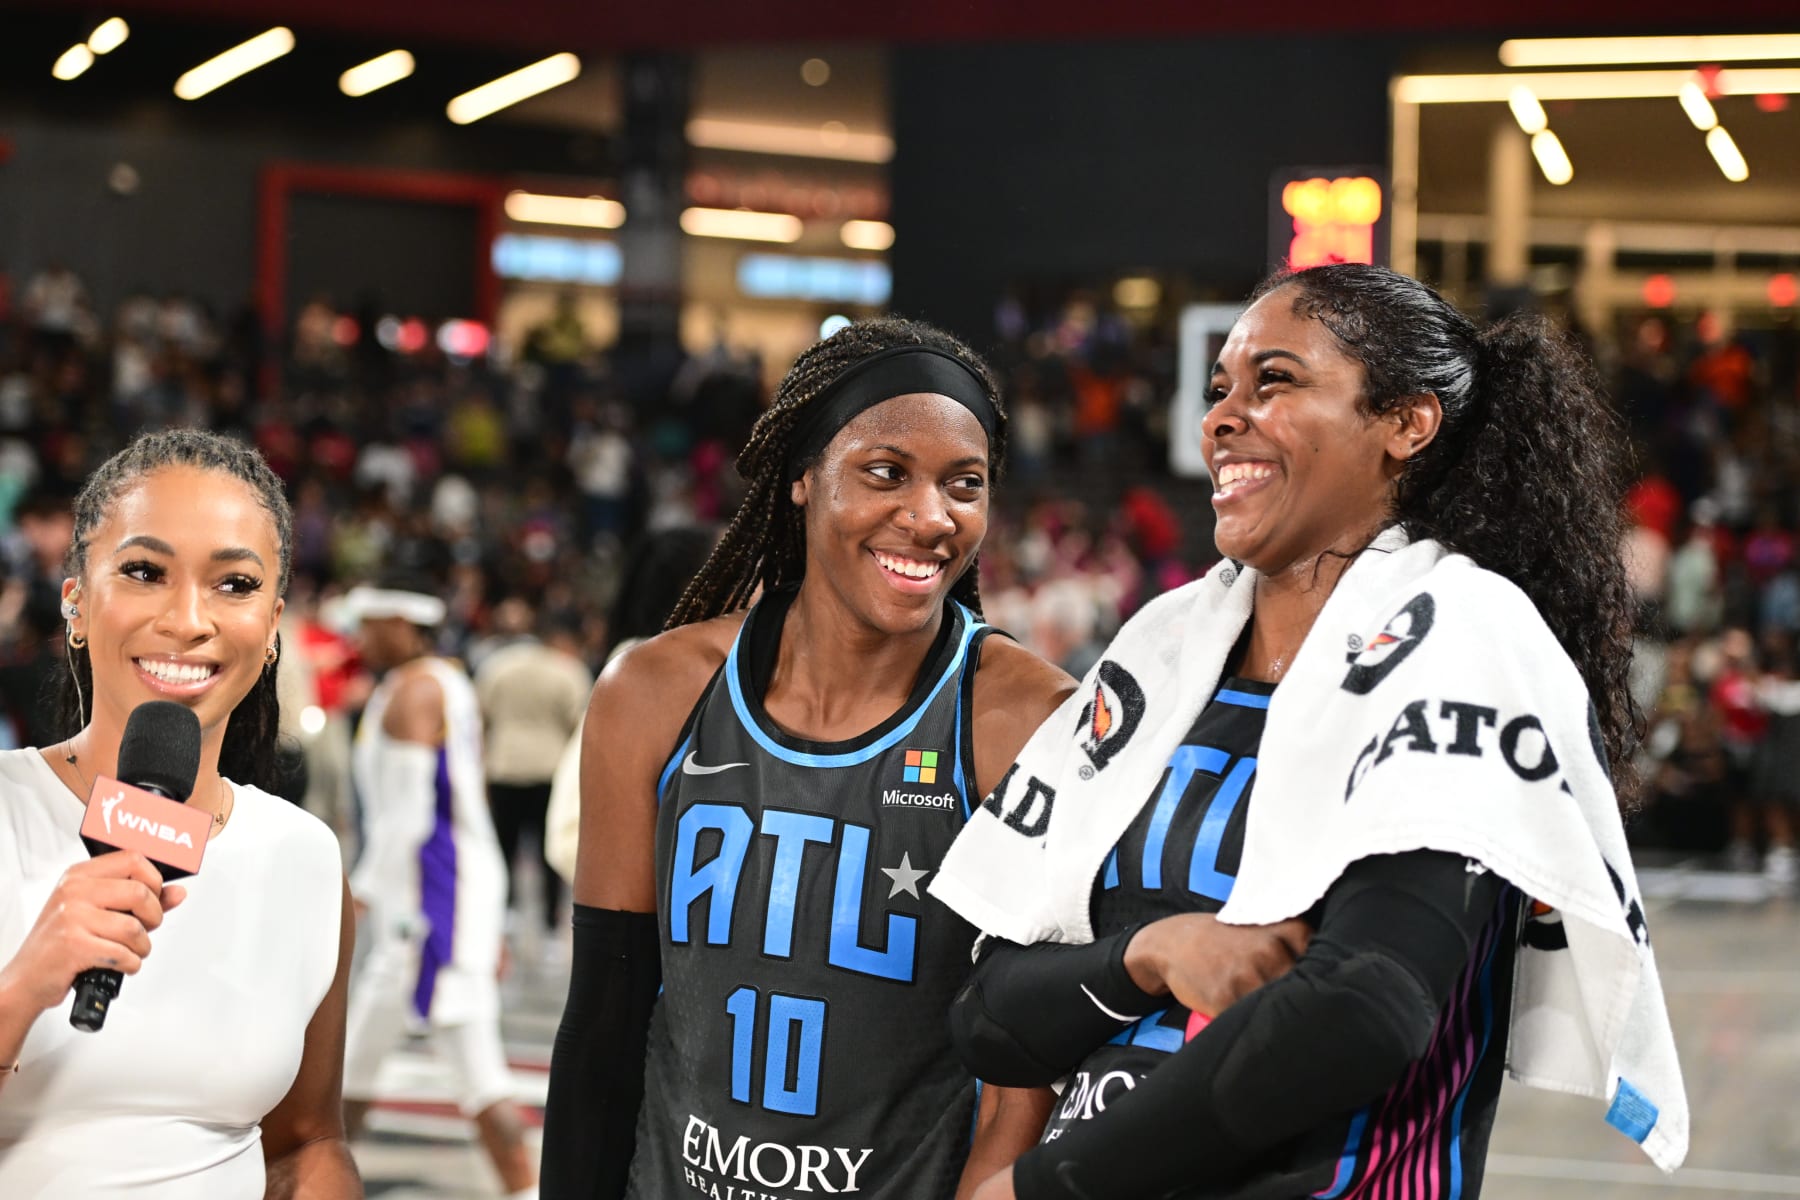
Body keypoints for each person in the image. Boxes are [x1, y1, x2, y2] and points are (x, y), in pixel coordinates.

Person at [932, 264, 1687, 1199]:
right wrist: (1152, 955)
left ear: (1406, 423)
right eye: (1220, 391)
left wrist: (1046, 1187)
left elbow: (1363, 1010)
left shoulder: (1465, 641)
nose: (1222, 418)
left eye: (1274, 382)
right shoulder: (1163, 650)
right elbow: (991, 1018)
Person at [543, 318, 1171, 1199]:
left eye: (964, 484)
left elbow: (1023, 1079)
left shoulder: (1028, 720)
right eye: (886, 473)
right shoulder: (652, 692)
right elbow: (603, 1026)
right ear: (802, 477)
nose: (931, 517)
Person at [0, 429, 357, 1197]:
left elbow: (306, 1144)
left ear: (272, 626)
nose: (189, 618)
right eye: (144, 572)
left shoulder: (303, 855)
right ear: (76, 603)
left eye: (234, 584)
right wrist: (22, 989)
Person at [337, 578, 536, 1200]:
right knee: (352, 1066)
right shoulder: (440, 681)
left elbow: (411, 818)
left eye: (372, 624)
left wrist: (358, 893)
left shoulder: (416, 690)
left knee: (480, 1077)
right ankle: (314, 1184)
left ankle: (527, 1189)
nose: (361, 637)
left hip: (434, 908)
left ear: (403, 623)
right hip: (435, 899)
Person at [474, 597, 593, 948]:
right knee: (548, 850)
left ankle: (505, 913)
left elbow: (481, 717)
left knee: (503, 846)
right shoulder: (567, 671)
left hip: (504, 766)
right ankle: (551, 923)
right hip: (549, 769)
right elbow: (579, 722)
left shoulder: (495, 666)